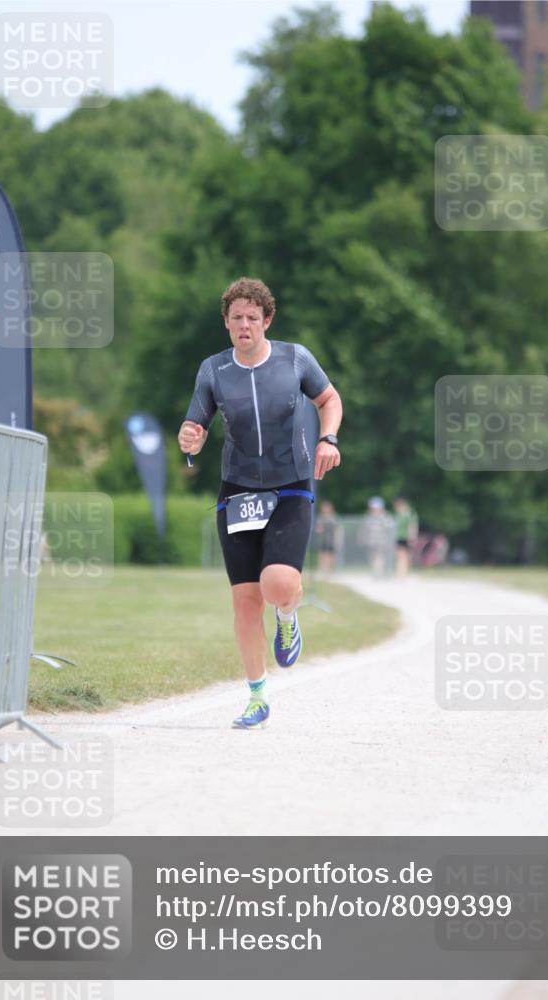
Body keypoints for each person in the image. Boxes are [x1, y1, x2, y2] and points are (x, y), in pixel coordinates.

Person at [178, 277, 342, 730]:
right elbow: (195, 426)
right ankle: (257, 696)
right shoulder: (213, 370)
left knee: (277, 584)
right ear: (226, 323)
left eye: (253, 317)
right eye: (236, 318)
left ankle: (288, 617)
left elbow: (329, 399)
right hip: (238, 491)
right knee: (246, 602)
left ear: (267, 320)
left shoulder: (295, 358)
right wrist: (188, 437)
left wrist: (328, 438)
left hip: (292, 483)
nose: (244, 325)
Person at [358, 496, 394, 577]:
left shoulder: (385, 517)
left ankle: (378, 573)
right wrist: (362, 538)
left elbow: (390, 528)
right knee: (372, 557)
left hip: (382, 541)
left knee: (380, 557)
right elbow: (363, 529)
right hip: (370, 541)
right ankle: (375, 572)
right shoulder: (368, 517)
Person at [314, 500, 342, 574]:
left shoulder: (333, 518)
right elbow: (317, 528)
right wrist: (318, 529)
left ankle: (330, 571)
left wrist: (337, 540)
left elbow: (337, 529)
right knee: (322, 555)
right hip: (323, 540)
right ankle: (323, 570)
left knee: (331, 556)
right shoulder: (321, 517)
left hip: (331, 540)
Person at [393, 497, 419, 577]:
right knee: (400, 556)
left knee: (404, 556)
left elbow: (413, 526)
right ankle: (401, 573)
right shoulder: (397, 514)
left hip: (406, 537)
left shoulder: (409, 513)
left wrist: (412, 537)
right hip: (397, 537)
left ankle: (402, 573)